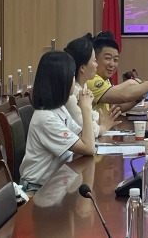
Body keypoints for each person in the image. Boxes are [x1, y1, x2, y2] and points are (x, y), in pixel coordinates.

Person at [20, 51, 96, 192]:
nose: (74, 80)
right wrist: (85, 108)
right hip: (36, 189)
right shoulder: (46, 119)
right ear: (61, 81)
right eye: (72, 76)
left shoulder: (59, 109)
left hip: (54, 183)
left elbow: (83, 137)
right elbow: (89, 147)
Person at [86, 31, 148, 113]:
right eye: (108, 58)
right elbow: (124, 95)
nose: (112, 64)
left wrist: (137, 99)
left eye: (115, 60)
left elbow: (116, 107)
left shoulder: (105, 79)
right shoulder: (91, 79)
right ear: (94, 59)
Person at [64, 34, 121, 137]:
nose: (96, 65)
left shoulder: (84, 86)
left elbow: (93, 117)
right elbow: (88, 130)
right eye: (94, 61)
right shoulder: (70, 95)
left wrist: (103, 122)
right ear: (82, 68)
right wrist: (103, 127)